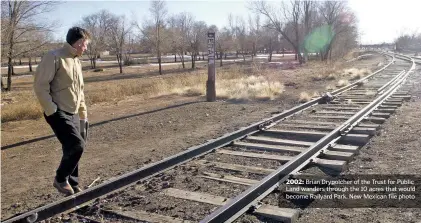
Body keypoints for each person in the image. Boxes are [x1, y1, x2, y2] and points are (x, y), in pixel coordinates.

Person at [34, 27, 91, 195]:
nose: (86, 48)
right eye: (85, 44)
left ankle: (72, 183)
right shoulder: (53, 57)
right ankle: (60, 179)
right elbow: (40, 86)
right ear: (79, 42)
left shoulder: (76, 61)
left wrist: (83, 114)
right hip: (57, 112)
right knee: (76, 144)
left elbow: (79, 91)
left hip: (74, 112)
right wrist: (51, 110)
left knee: (73, 147)